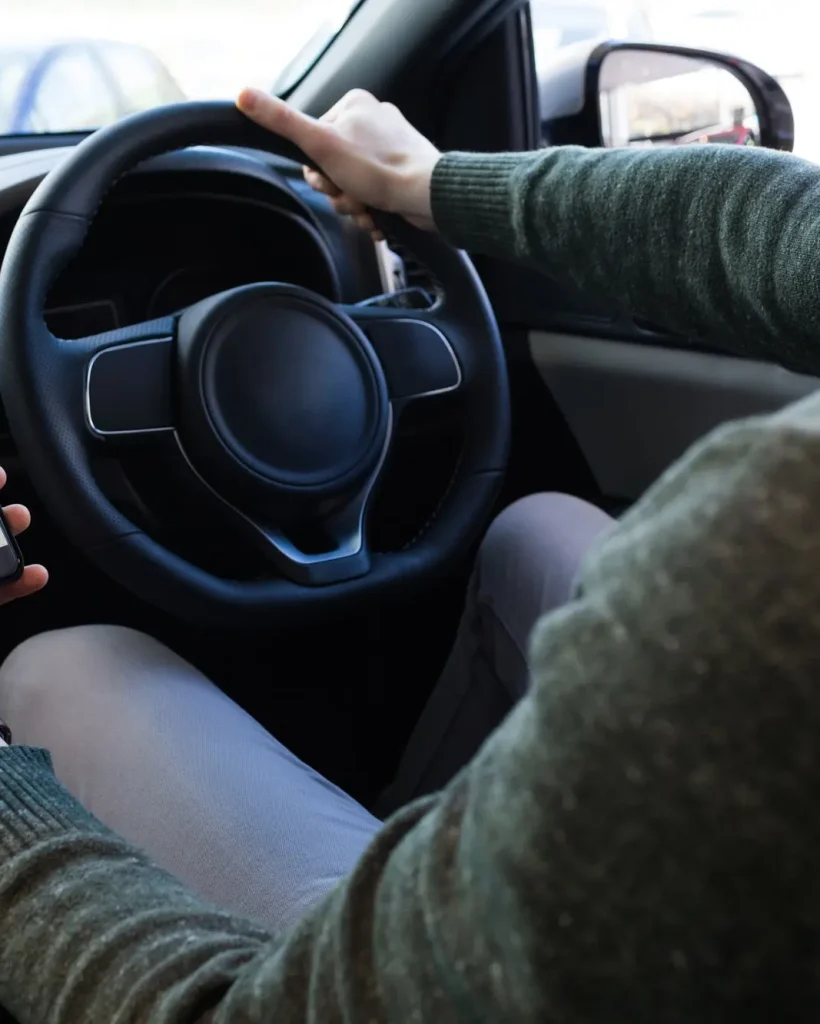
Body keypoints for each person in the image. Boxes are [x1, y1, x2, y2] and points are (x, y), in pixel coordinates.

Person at [0, 87, 818, 1022]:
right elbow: (785, 229)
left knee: (67, 665)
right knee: (535, 527)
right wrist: (429, 183)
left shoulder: (776, 552)